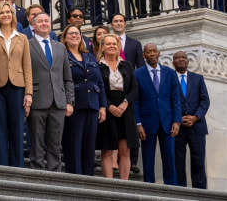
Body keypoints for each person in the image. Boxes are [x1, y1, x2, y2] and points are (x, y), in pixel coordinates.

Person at [27, 12, 74, 172]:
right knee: (37, 141)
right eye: (40, 21)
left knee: (55, 143)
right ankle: (38, 174)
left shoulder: (60, 47)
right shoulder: (27, 45)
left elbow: (67, 77)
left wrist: (69, 101)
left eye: (47, 21)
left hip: (58, 102)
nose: (44, 23)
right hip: (37, 100)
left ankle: (55, 174)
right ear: (33, 26)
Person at [60, 24, 107, 176]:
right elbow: (61, 81)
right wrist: (67, 101)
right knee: (73, 145)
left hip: (92, 105)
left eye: (77, 33)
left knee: (89, 147)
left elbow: (99, 82)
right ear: (65, 38)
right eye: (70, 33)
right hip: (74, 106)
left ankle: (88, 180)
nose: (74, 36)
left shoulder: (90, 56)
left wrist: (102, 106)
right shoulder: (62, 56)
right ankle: (75, 179)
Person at [0, 2, 32, 167]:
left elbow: (27, 66)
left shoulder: (22, 38)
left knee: (16, 128)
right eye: (2, 12)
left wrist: (29, 93)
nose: (6, 15)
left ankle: (17, 167)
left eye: (8, 12)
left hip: (18, 87)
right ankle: (1, 165)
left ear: (13, 15)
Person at [134, 43, 181, 186]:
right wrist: (138, 123)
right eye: (149, 52)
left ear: (159, 53)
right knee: (148, 158)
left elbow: (175, 98)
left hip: (167, 122)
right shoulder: (137, 74)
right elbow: (135, 101)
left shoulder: (170, 73)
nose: (152, 54)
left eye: (154, 51)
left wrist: (176, 121)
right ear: (144, 55)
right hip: (147, 123)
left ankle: (171, 187)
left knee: (169, 158)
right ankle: (149, 187)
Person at [96, 33, 139, 180]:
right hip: (107, 107)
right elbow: (98, 88)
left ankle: (124, 184)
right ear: (102, 46)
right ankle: (109, 184)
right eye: (108, 44)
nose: (111, 46)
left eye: (114, 43)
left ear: (118, 46)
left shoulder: (126, 65)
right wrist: (109, 106)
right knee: (107, 150)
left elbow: (134, 87)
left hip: (125, 108)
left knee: (124, 150)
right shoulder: (97, 66)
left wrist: (125, 103)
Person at [172, 51, 210, 189]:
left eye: (183, 58)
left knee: (198, 161)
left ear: (188, 61)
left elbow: (205, 101)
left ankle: (200, 192)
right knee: (178, 161)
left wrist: (195, 117)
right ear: (173, 62)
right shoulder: (169, 78)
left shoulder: (198, 78)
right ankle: (180, 190)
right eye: (177, 58)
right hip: (177, 128)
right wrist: (177, 118)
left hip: (197, 127)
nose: (181, 60)